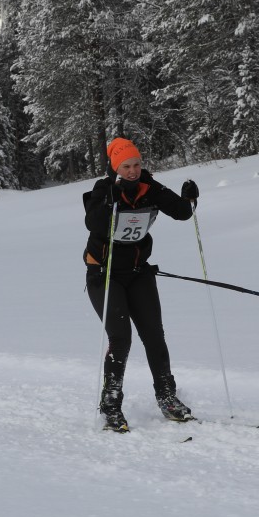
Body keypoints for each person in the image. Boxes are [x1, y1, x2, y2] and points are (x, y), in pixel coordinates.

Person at [83, 137, 201, 432]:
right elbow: (93, 222)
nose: (133, 170)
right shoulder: (104, 189)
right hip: (104, 274)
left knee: (154, 334)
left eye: (137, 164)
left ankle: (167, 396)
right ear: (115, 167)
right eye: (127, 166)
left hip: (137, 272)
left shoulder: (150, 187)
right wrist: (111, 197)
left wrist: (189, 199)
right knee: (121, 338)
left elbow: (182, 213)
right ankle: (110, 404)